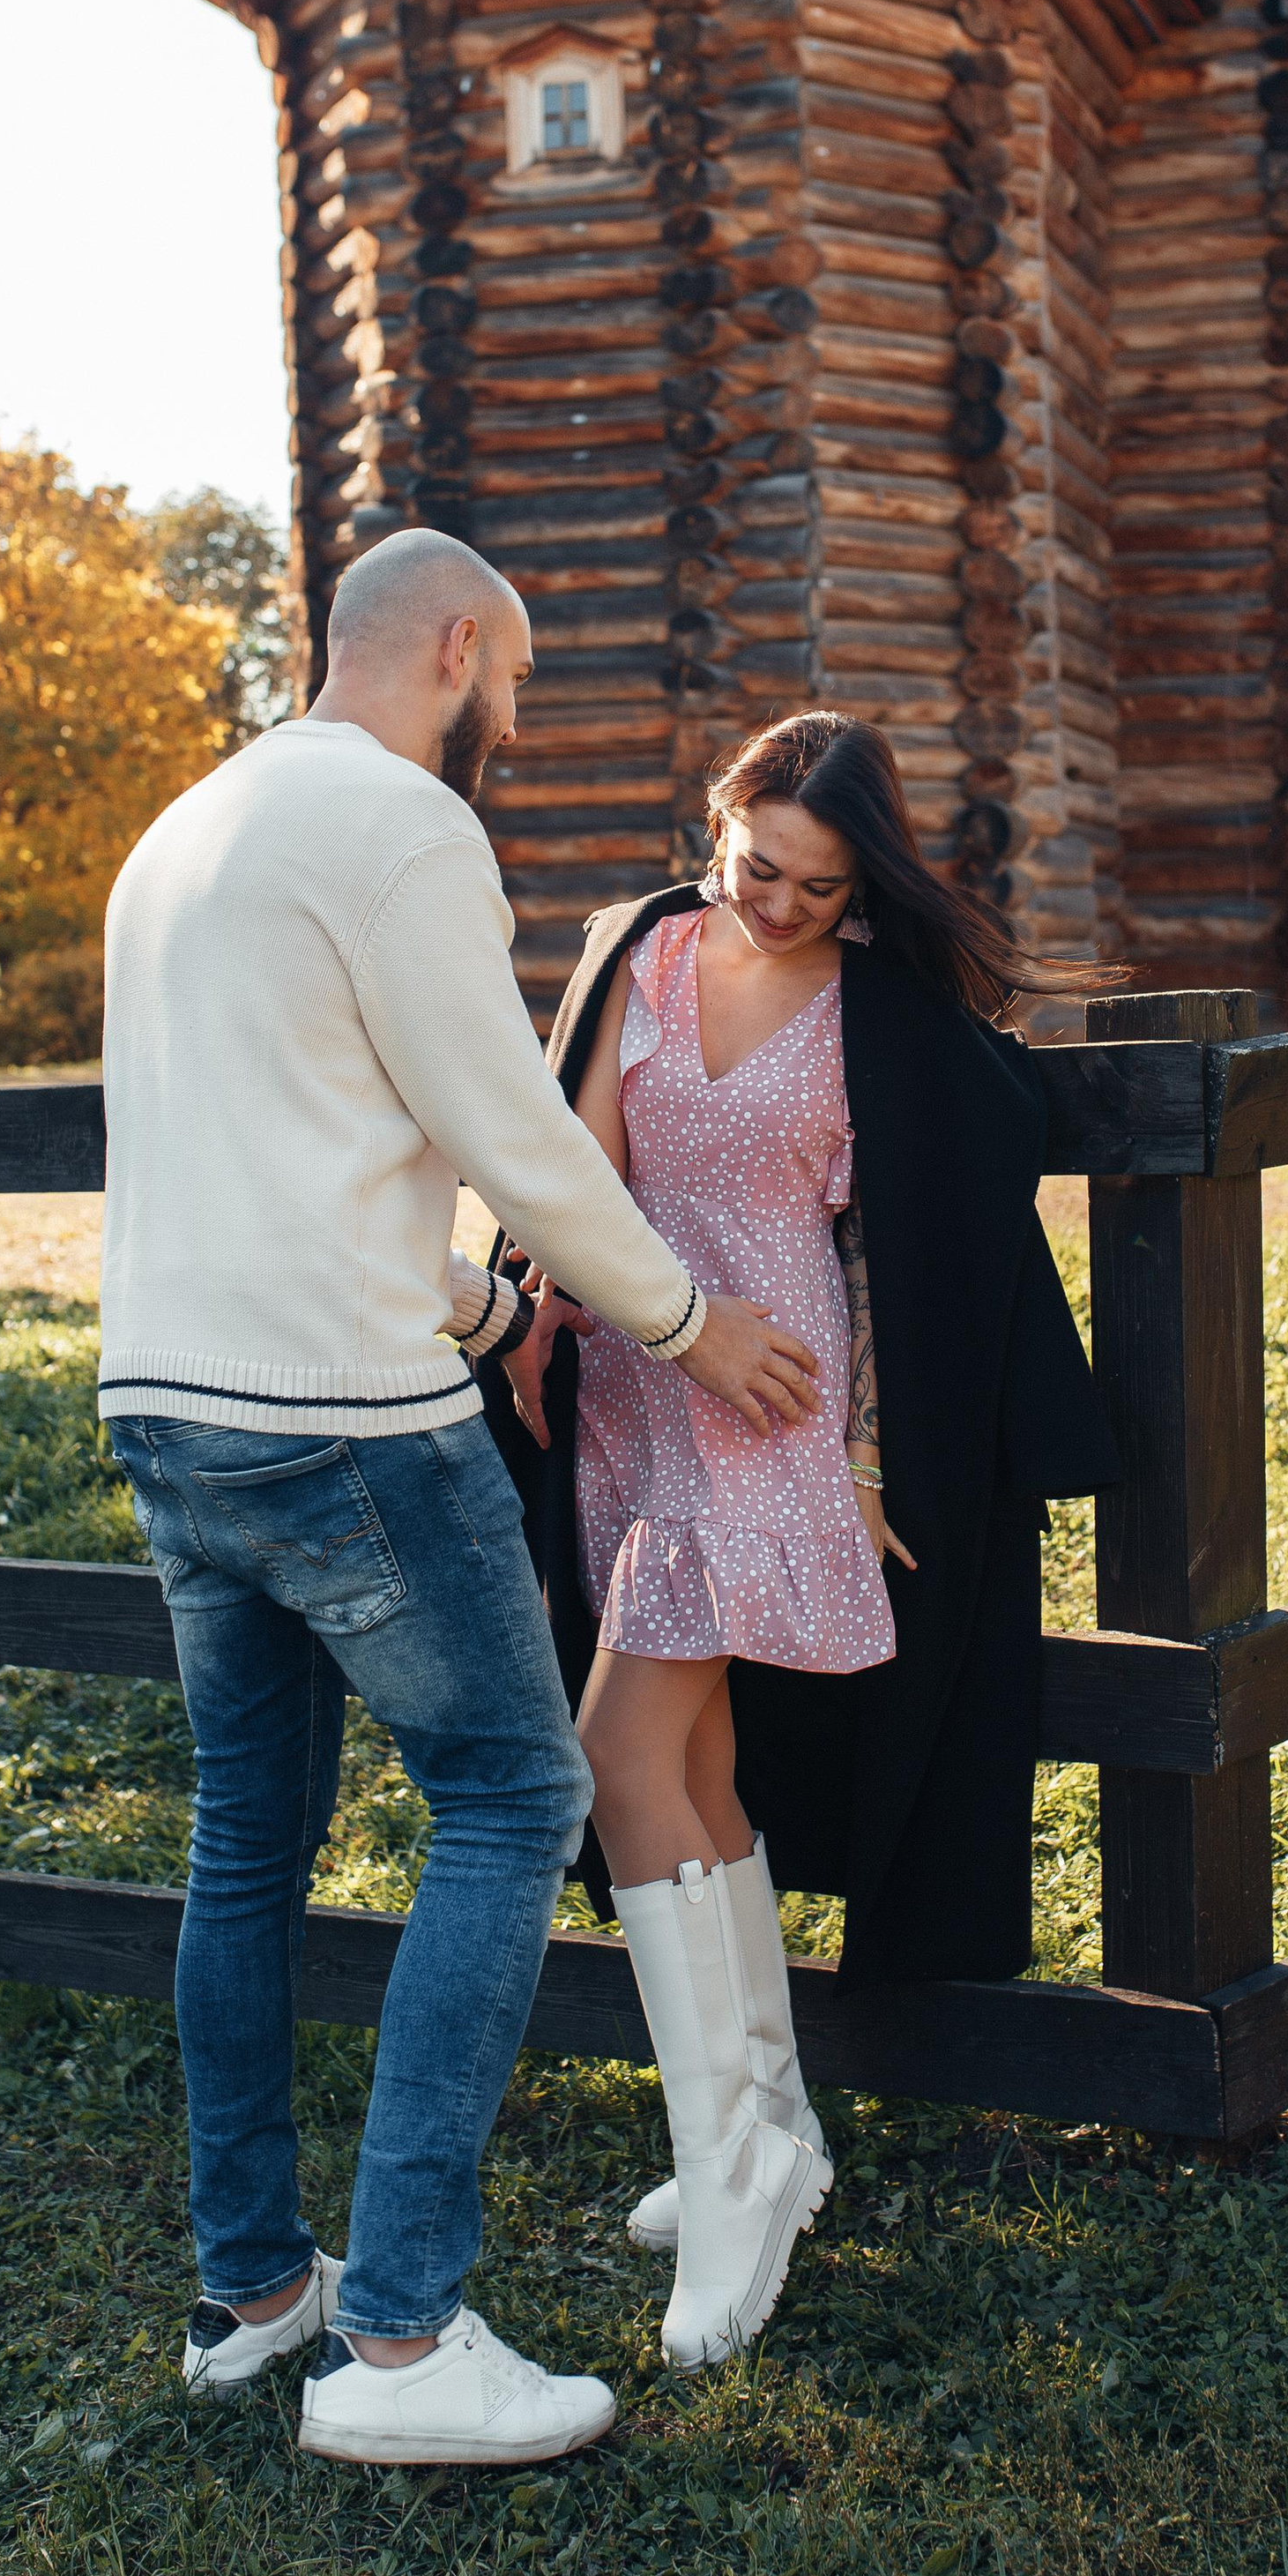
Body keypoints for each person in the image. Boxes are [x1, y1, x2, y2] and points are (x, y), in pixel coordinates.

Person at [98, 529, 820, 2471]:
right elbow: (501, 1119)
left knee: (246, 1839)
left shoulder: (185, 833)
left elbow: (296, 1142)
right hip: (338, 1423)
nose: (513, 718)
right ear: (446, 646)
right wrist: (683, 1320)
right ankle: (402, 2348)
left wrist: (483, 1297)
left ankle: (258, 2298)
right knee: (514, 1796)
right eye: (509, 678)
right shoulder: (403, 826)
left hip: (170, 1406)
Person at [488, 712, 1120, 2369]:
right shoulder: (642, 954)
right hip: (637, 1390)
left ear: (865, 887)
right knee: (696, 1774)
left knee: (618, 1752)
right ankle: (773, 2129)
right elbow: (576, 1171)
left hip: (771, 1407)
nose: (779, 905)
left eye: (822, 890)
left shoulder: (880, 1018)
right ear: (719, 825)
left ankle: (732, 2169)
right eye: (758, 867)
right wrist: (548, 1310)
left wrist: (868, 1449)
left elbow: (894, 1246)